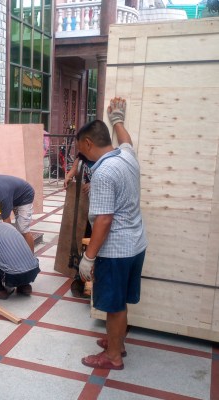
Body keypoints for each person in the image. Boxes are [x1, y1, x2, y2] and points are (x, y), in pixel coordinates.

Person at [77, 97, 147, 370]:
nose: (81, 153)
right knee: (119, 301)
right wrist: (118, 120)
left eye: (80, 148)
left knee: (114, 305)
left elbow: (104, 220)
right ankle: (116, 341)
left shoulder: (103, 172)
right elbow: (127, 141)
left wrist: (89, 257)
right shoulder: (126, 155)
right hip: (136, 244)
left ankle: (114, 356)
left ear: (87, 144)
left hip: (116, 250)